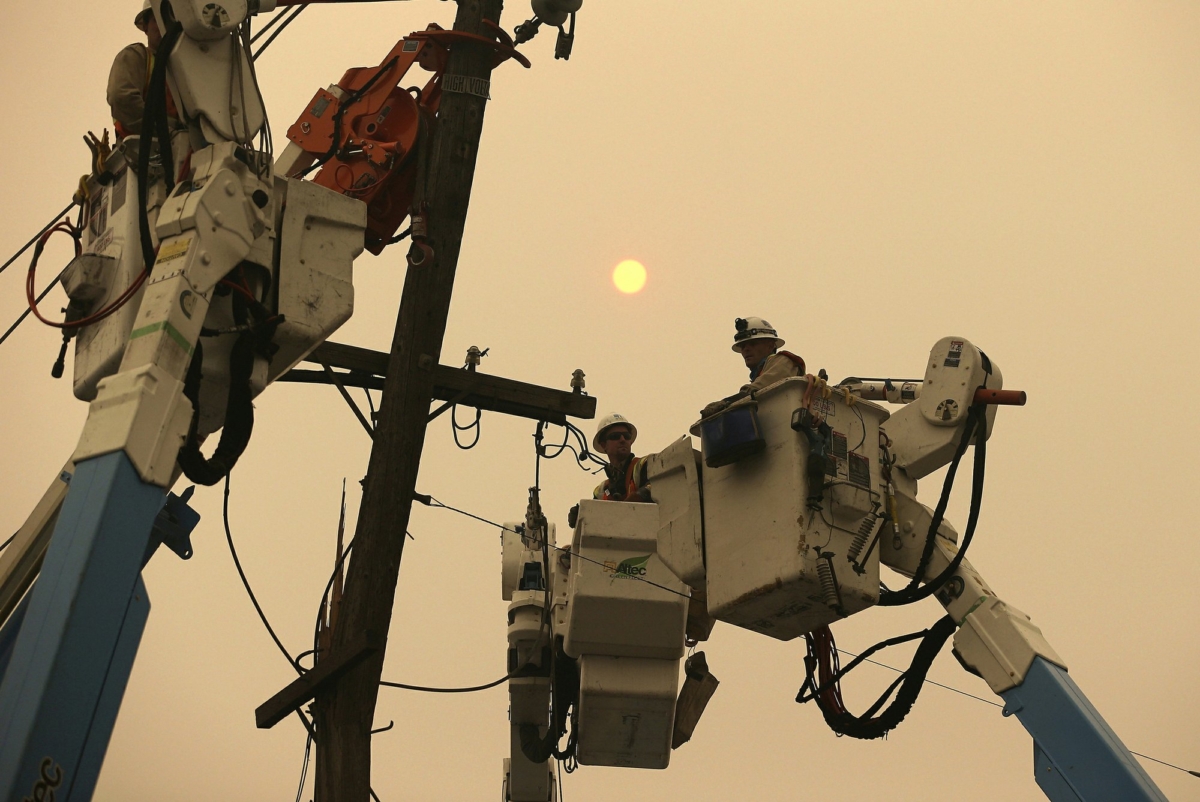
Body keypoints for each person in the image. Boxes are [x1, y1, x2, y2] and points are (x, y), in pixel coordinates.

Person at [700, 317, 806, 418]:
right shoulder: (760, 374)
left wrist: (726, 403)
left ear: (771, 345)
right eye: (743, 346)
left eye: (753, 344)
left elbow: (760, 386)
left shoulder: (784, 361)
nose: (746, 349)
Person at [107, 1, 184, 140]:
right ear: (146, 28)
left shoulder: (189, 69)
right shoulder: (136, 56)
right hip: (145, 154)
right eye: (157, 20)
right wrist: (169, 131)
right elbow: (122, 98)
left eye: (167, 19)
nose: (162, 26)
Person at [591, 413, 652, 502]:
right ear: (603, 445)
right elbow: (592, 511)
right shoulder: (601, 491)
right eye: (615, 436)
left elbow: (660, 486)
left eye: (626, 436)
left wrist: (639, 496)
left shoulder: (645, 465)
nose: (622, 439)